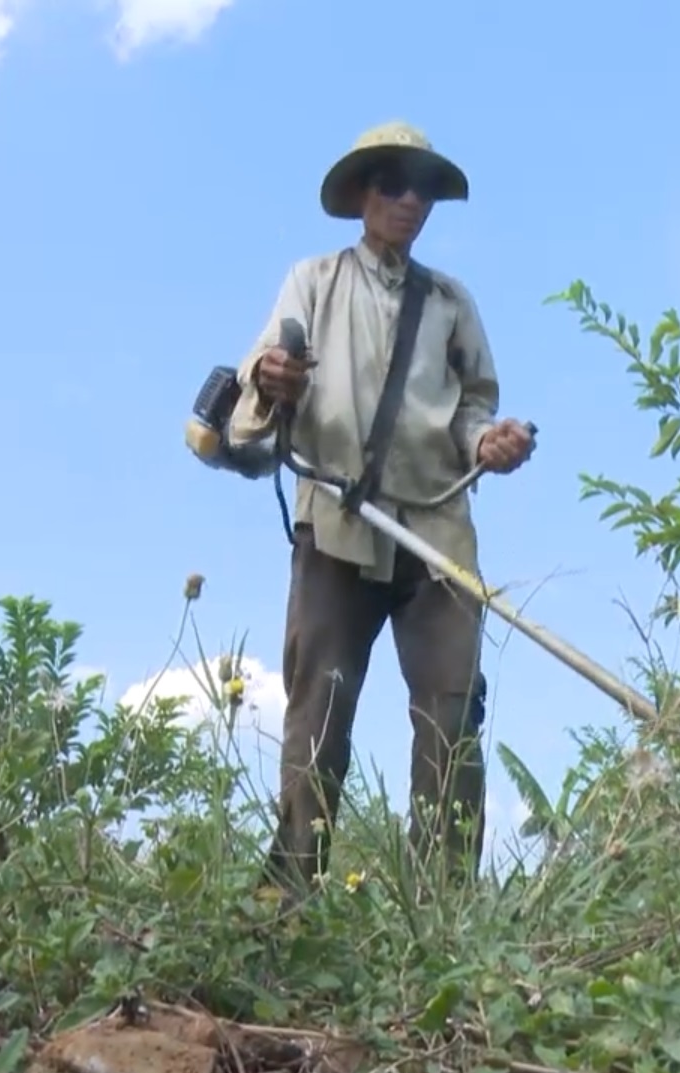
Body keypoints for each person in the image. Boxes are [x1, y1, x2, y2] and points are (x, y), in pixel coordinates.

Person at [226, 121, 537, 895]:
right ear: (364, 194)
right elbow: (258, 385)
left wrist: (488, 443)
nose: (410, 200)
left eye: (423, 188)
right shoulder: (313, 281)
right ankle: (292, 898)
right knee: (319, 710)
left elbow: (472, 407)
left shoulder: (451, 304)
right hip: (337, 518)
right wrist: (273, 378)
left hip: (435, 528)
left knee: (452, 711)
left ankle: (444, 908)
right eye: (394, 183)